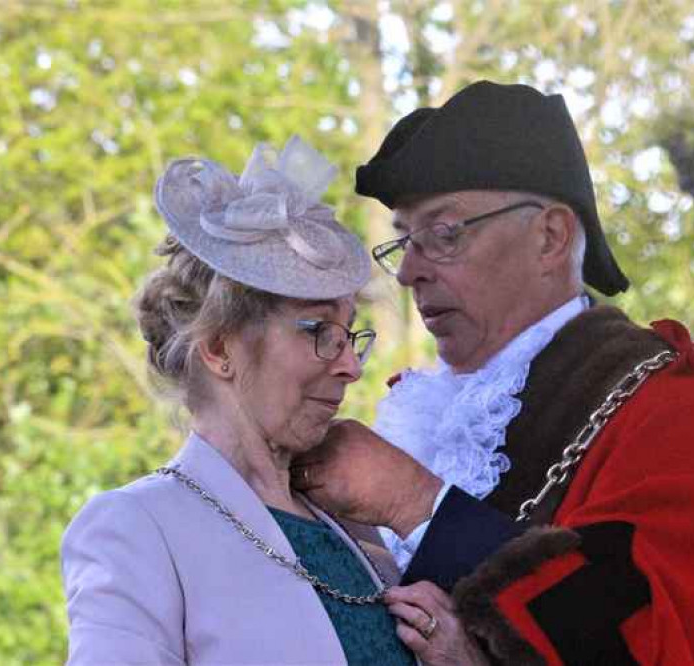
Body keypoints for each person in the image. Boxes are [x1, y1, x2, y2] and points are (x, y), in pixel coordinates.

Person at [292, 81, 694, 665]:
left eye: (443, 233)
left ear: (550, 237)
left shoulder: (670, 407)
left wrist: (416, 504)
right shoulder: (420, 409)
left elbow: (657, 643)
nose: (409, 273)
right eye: (405, 241)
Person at [60, 136, 422, 665]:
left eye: (349, 335)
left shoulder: (353, 524)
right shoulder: (136, 526)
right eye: (319, 330)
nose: (350, 364)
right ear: (219, 347)